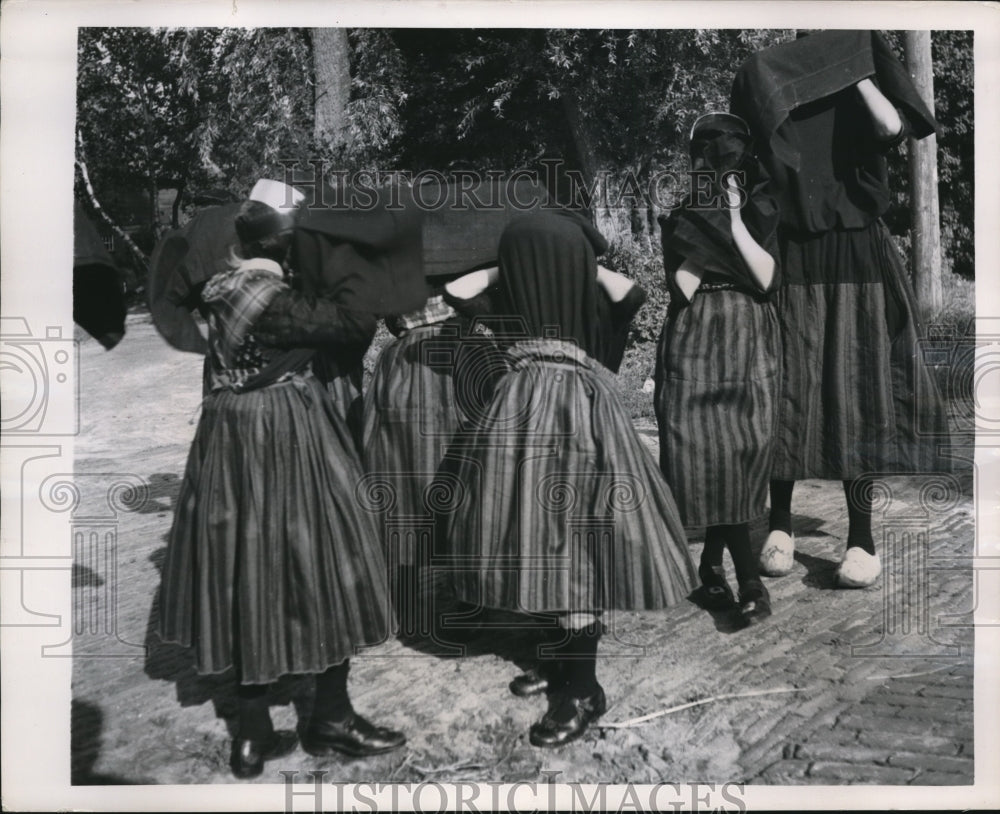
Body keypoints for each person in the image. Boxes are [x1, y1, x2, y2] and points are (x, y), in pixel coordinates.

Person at [157, 181, 406, 780]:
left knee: (246, 570)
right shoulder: (273, 299)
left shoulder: (222, 288)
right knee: (327, 557)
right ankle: (331, 719)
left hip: (226, 439)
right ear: (292, 247)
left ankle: (252, 733)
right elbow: (355, 326)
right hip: (284, 433)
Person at [438, 210, 698, 748]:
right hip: (529, 416)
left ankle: (583, 689)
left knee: (572, 546)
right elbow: (457, 291)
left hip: (575, 417)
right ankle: (560, 664)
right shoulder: (537, 297)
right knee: (539, 541)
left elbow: (460, 289)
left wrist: (553, 265)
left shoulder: (588, 300)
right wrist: (527, 268)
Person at [731, 31, 951, 587]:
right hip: (795, 250)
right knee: (787, 384)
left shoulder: (861, 75)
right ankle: (779, 526)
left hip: (856, 249)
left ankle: (860, 538)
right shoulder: (774, 78)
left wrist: (851, 72)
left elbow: (892, 129)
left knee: (859, 388)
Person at [655, 112, 781, 623]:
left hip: (748, 335)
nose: (726, 174)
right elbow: (684, 287)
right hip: (696, 336)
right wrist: (707, 225)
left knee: (744, 450)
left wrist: (731, 223)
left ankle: (718, 567)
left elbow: (767, 278)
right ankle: (743, 579)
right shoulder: (682, 215)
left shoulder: (765, 208)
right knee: (702, 454)